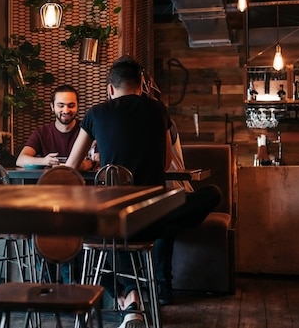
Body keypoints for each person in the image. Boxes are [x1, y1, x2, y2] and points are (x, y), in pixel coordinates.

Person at [66, 56, 220, 328]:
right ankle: (139, 295)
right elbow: (164, 163)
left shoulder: (96, 113)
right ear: (141, 87)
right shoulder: (159, 110)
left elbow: (71, 166)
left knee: (91, 238)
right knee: (211, 193)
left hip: (112, 221)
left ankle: (129, 299)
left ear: (110, 89)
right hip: (153, 220)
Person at [16, 84, 93, 171]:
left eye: (71, 105)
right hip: (50, 182)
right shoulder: (42, 133)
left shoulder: (87, 130)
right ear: (52, 107)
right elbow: (20, 160)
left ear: (77, 106)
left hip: (82, 183)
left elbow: (97, 160)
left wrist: (83, 164)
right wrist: (45, 161)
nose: (66, 110)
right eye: (61, 105)